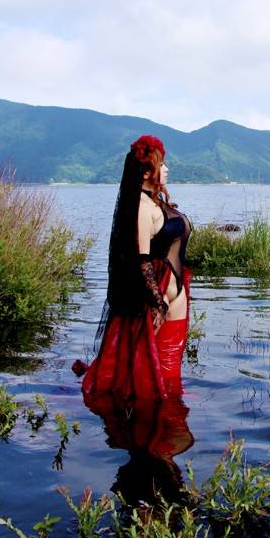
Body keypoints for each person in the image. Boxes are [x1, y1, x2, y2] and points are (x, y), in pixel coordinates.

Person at [72, 134, 192, 401]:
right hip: (159, 293)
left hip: (175, 289)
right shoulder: (140, 206)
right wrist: (157, 300)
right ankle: (152, 412)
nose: (167, 169)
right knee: (147, 368)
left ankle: (174, 400)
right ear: (147, 172)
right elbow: (141, 258)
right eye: (162, 164)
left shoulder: (155, 201)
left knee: (172, 358)